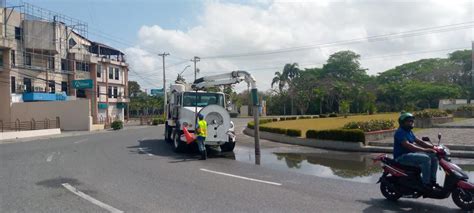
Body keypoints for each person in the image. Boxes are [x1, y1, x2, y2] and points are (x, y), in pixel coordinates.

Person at [393, 112, 439, 191]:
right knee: (426, 158)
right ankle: (426, 184)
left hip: (410, 155)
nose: (411, 123)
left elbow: (420, 142)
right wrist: (425, 150)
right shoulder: (400, 132)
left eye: (411, 121)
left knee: (434, 157)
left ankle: (432, 181)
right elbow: (408, 145)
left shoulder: (409, 132)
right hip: (401, 157)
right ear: (403, 123)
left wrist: (433, 147)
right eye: (408, 121)